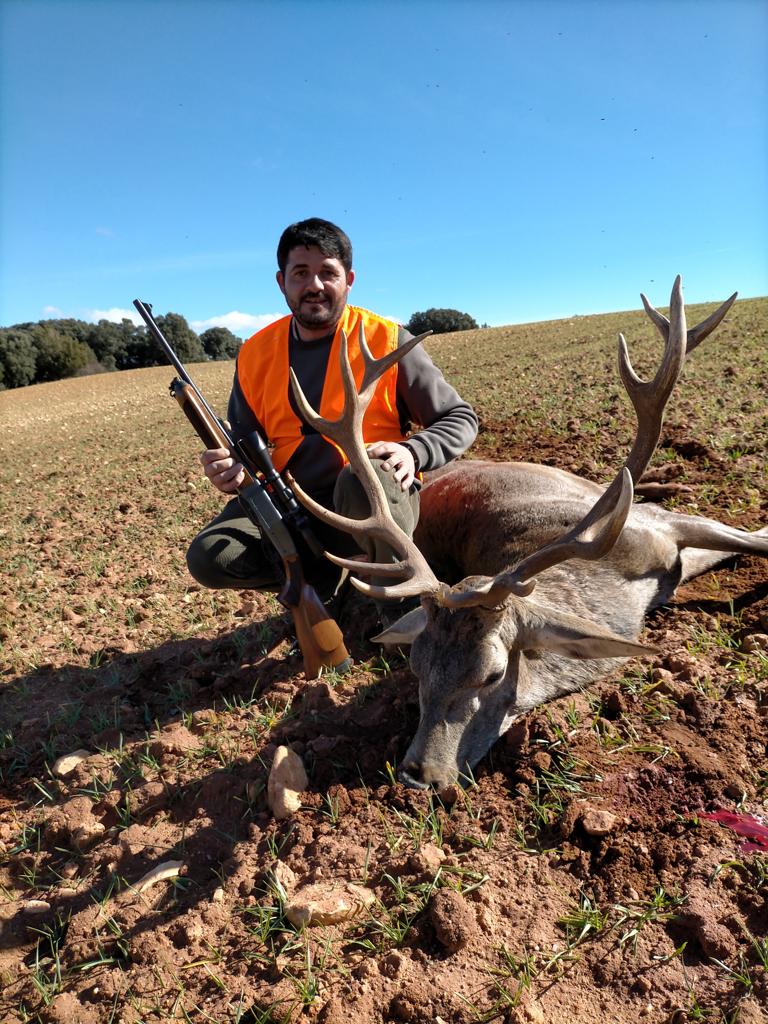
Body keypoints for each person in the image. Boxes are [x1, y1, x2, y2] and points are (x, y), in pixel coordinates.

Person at [186, 218, 478, 606]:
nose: (314, 285)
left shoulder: (387, 340)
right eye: (301, 273)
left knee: (364, 477)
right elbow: (242, 443)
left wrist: (413, 450)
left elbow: (460, 418)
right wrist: (227, 468)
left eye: (328, 272)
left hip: (373, 501)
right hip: (290, 501)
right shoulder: (255, 353)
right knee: (212, 555)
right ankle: (322, 587)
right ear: (281, 281)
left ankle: (401, 614)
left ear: (349, 279)